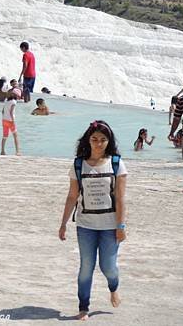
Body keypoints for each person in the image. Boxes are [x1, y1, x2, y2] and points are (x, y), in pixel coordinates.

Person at [58, 120, 127, 321]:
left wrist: (121, 226)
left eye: (103, 140)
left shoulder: (116, 164)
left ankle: (113, 287)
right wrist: (63, 224)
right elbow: (72, 196)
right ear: (88, 140)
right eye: (94, 139)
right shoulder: (78, 165)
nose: (98, 143)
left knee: (108, 267)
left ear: (109, 141)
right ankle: (83, 307)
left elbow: (121, 198)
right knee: (86, 266)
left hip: (110, 226)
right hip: (85, 225)